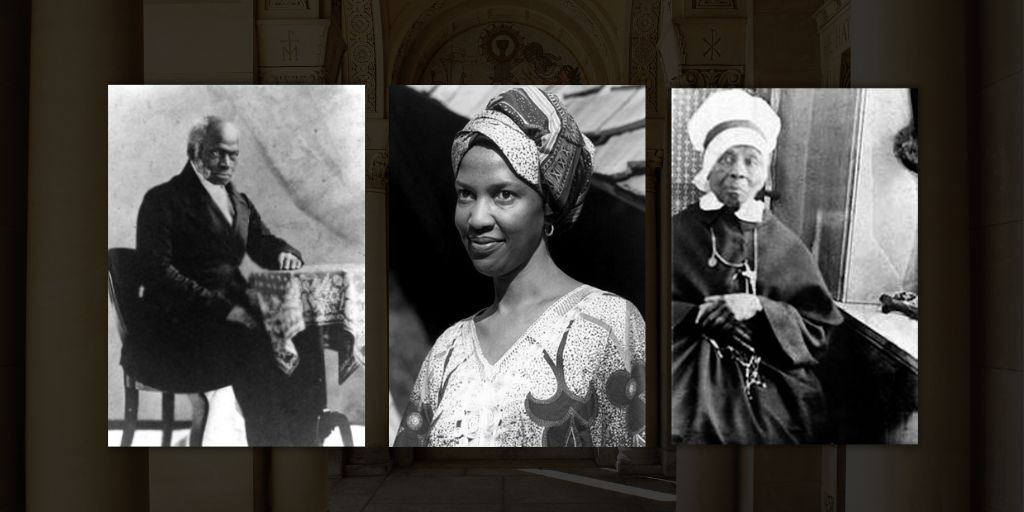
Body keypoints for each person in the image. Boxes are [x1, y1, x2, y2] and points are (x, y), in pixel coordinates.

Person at [393, 87, 646, 448]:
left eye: (503, 194)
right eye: (466, 194)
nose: (477, 218)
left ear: (547, 206)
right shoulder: (449, 350)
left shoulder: (607, 325)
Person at [670, 90, 843, 444]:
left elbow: (819, 327)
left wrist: (760, 308)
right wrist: (695, 313)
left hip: (768, 367)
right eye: (727, 158)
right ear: (708, 164)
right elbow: (636, 305)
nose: (738, 172)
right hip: (685, 361)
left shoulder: (784, 242)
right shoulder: (675, 232)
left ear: (764, 171)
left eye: (751, 161)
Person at [130, 116, 303, 446]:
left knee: (299, 332)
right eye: (217, 153)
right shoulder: (163, 200)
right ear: (194, 151)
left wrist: (284, 252)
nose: (227, 162)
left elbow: (262, 242)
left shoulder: (239, 201)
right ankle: (267, 446)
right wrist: (225, 310)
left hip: (227, 317)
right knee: (259, 345)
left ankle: (299, 436)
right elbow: (160, 274)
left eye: (233, 154)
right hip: (177, 329)